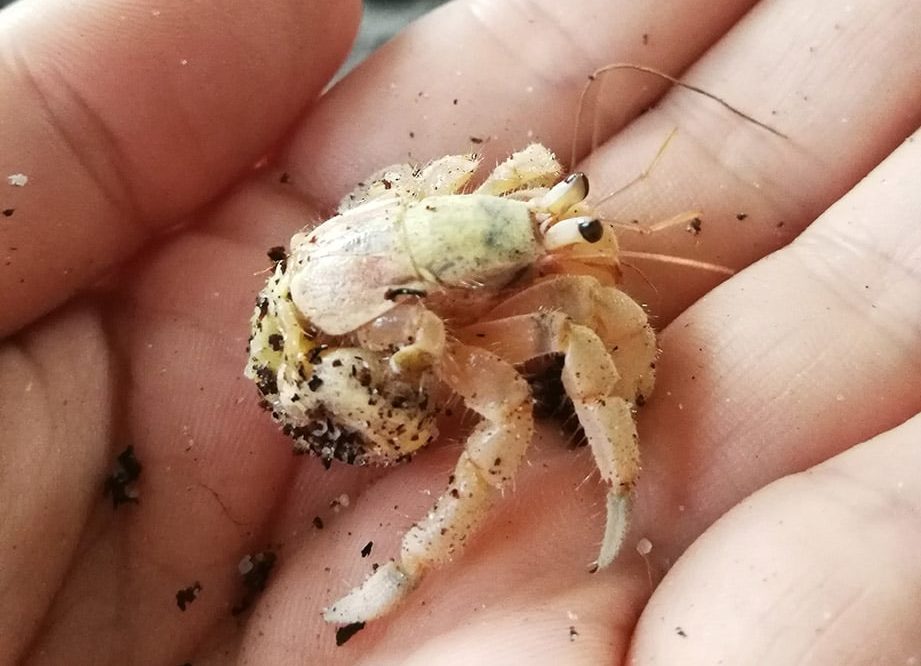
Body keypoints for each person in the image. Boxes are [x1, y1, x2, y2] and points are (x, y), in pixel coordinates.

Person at [1, 0, 918, 663]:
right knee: (525, 399)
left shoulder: (495, 220)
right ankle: (407, 569)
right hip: (339, 361)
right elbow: (459, 343)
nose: (547, 203)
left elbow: (516, 184)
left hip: (371, 295)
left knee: (563, 286)